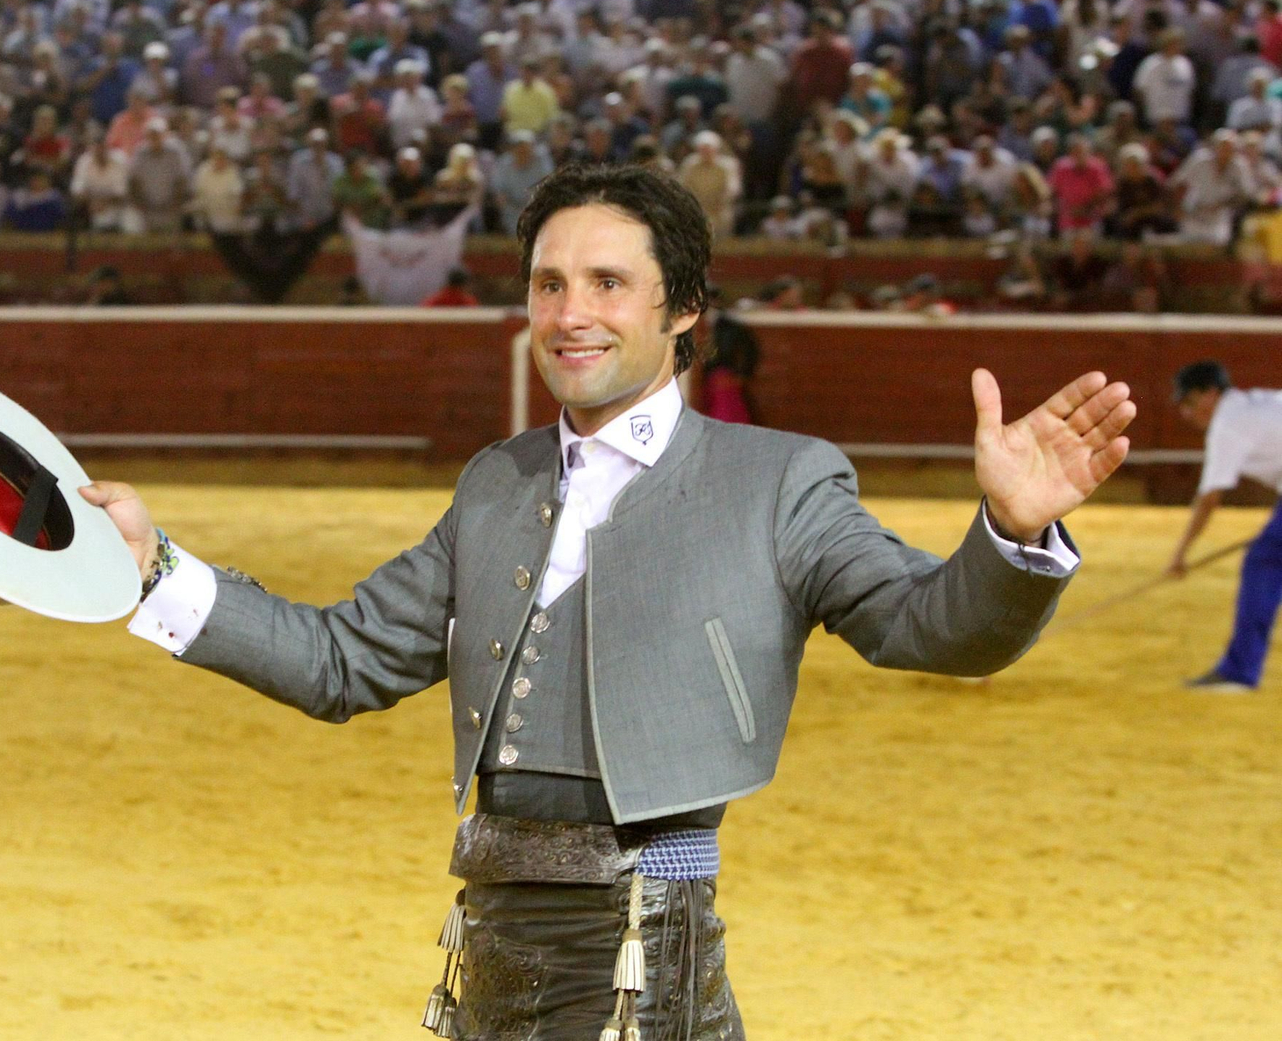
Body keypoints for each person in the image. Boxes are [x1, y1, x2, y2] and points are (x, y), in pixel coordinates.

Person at [79, 162, 1135, 1039]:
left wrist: (1013, 534)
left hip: (645, 940)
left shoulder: (781, 480)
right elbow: (341, 662)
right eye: (547, 285)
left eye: (604, 284)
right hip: (489, 940)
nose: (568, 315)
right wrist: (153, 571)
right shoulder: (497, 480)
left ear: (681, 310)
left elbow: (930, 627)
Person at [1168, 361, 1282, 691]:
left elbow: (1209, 499)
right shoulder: (1255, 402)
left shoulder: (1227, 424)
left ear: (1211, 395)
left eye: (1189, 402)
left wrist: (1180, 554)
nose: (1187, 414)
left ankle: (1239, 672)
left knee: (1264, 561)